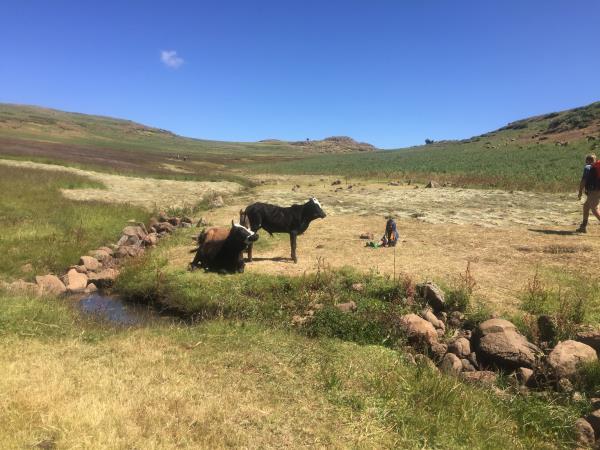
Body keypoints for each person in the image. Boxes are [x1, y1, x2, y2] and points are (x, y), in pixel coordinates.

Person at [576, 153, 600, 233]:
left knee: (594, 209)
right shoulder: (596, 167)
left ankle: (583, 227)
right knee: (586, 206)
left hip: (594, 190)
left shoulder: (588, 167)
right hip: (596, 190)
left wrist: (580, 191)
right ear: (595, 160)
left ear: (587, 160)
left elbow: (584, 180)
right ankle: (583, 226)